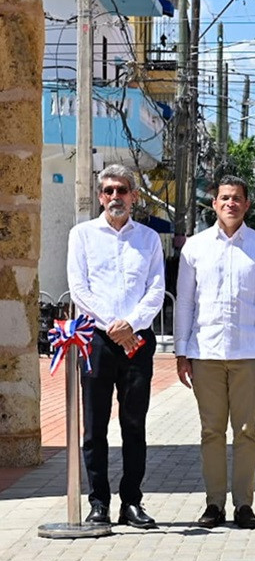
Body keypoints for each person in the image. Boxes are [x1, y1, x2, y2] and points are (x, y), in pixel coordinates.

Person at [175, 175, 255, 529]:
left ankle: (244, 504)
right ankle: (214, 504)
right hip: (205, 352)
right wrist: (181, 351)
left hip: (249, 352)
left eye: (237, 198)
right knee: (211, 432)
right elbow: (185, 304)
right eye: (224, 198)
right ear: (214, 203)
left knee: (246, 431)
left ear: (247, 204)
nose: (230, 204)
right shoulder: (195, 247)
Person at [67, 164, 165, 529]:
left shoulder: (149, 239)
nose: (114, 197)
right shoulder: (82, 235)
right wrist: (114, 325)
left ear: (134, 196)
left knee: (134, 424)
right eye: (107, 191)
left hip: (138, 342)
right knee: (94, 427)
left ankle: (132, 502)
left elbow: (156, 290)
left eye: (122, 190)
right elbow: (79, 289)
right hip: (96, 340)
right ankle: (98, 503)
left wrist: (132, 326)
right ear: (99, 196)